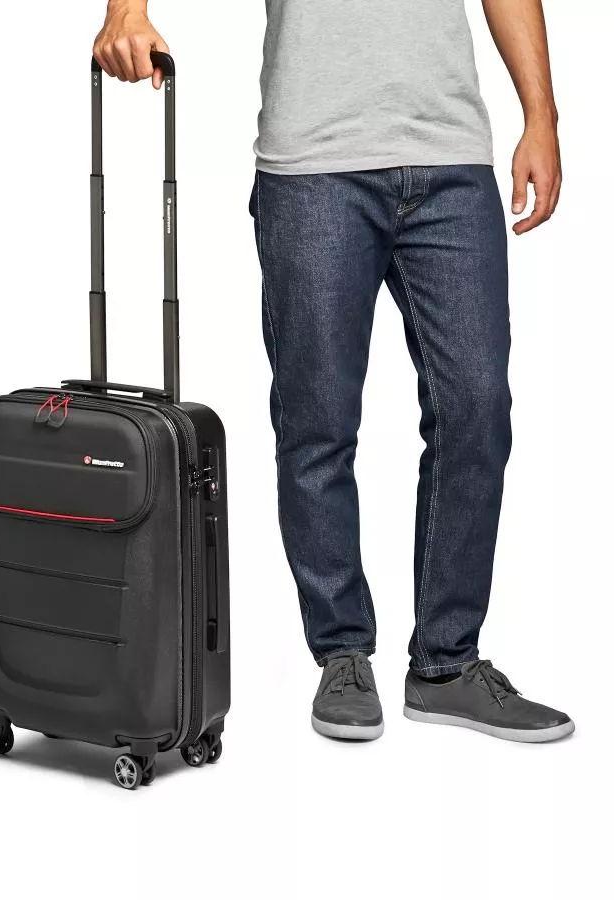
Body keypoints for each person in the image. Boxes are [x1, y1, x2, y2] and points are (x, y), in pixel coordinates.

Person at [94, 0, 574, 744]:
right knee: (316, 425)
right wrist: (126, 11)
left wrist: (540, 117)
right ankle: (343, 654)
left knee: (477, 408)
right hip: (314, 165)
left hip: (451, 156)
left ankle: (446, 664)